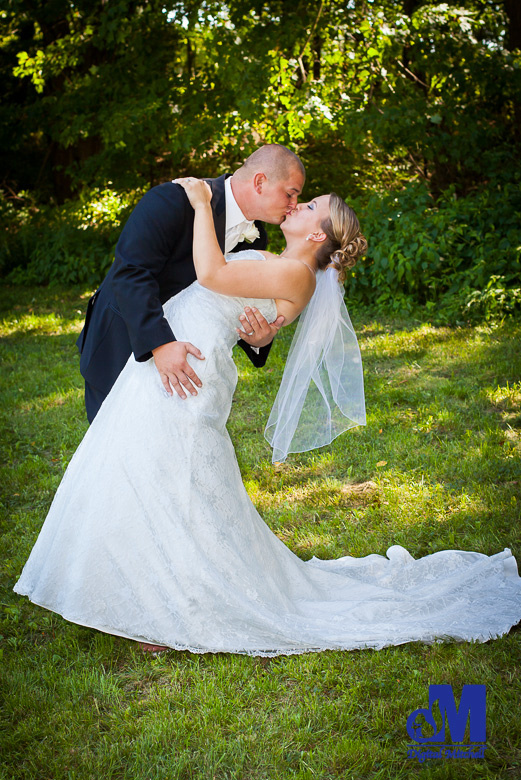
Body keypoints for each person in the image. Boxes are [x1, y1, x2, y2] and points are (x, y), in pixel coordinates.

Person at [14, 180, 521, 657]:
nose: (295, 206)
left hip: (186, 368)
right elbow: (250, 314)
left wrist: (197, 206)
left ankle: (172, 598)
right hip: (178, 360)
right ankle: (130, 581)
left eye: (307, 205)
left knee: (170, 481)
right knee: (145, 472)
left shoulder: (295, 273)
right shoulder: (288, 267)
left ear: (318, 233)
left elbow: (212, 275)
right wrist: (261, 334)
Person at [77, 144, 305, 422]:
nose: (294, 205)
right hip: (121, 341)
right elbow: (131, 273)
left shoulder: (257, 239)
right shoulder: (173, 200)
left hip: (183, 361)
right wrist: (160, 345)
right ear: (260, 182)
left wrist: (260, 339)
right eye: (290, 193)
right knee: (113, 450)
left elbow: (226, 301)